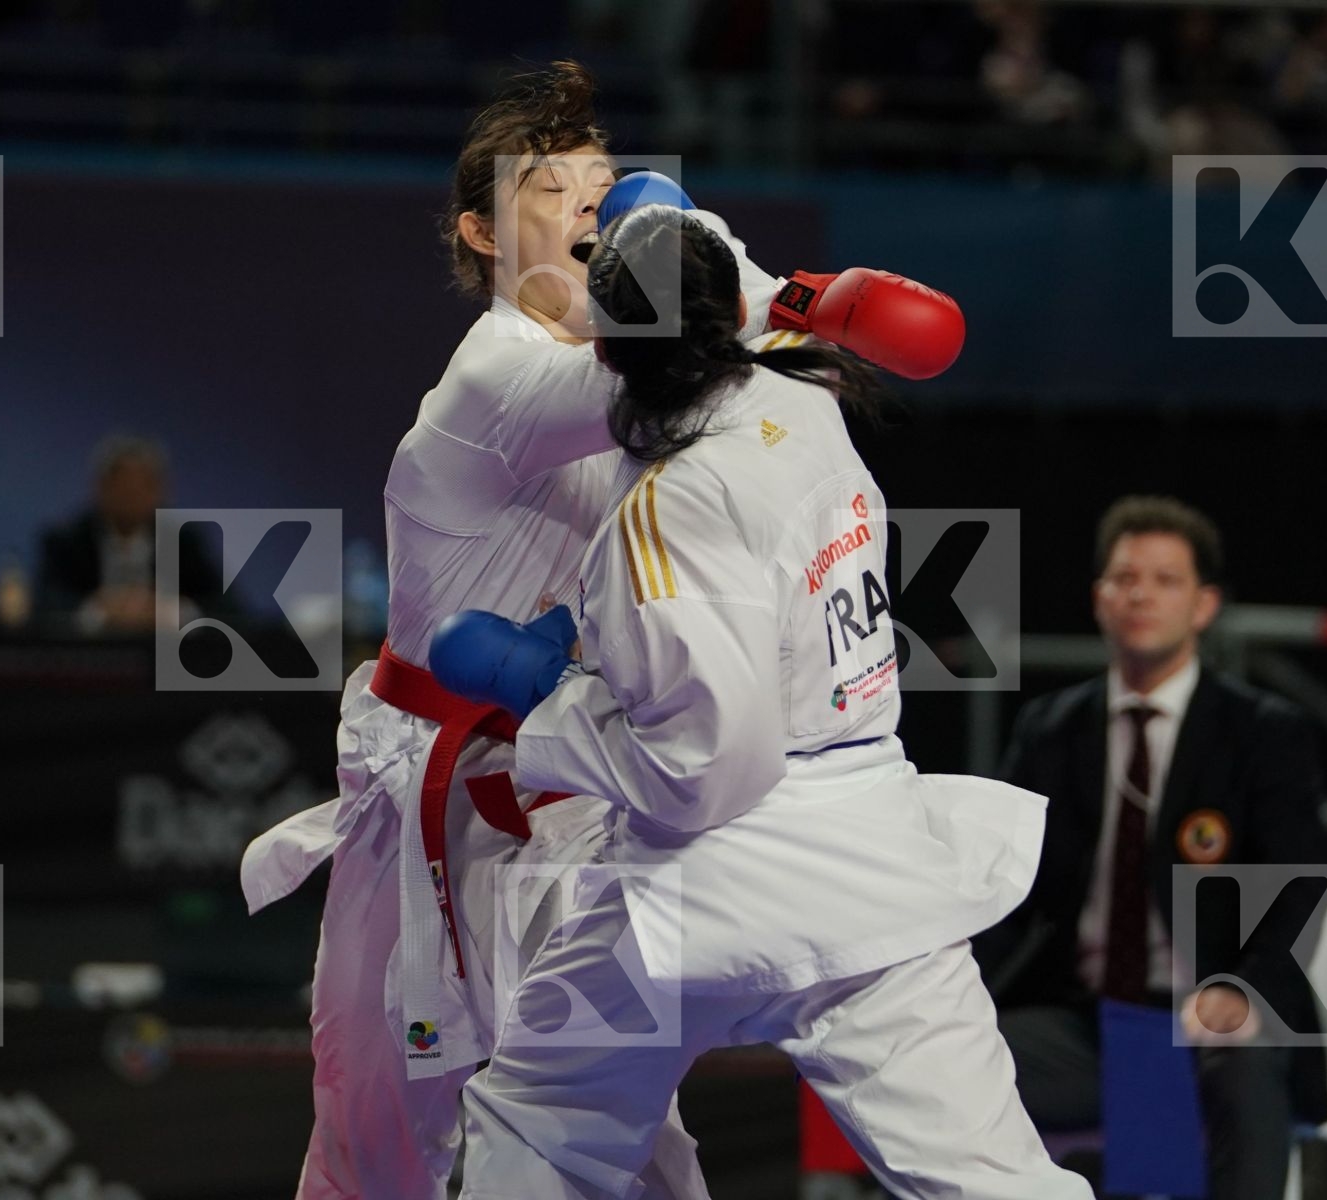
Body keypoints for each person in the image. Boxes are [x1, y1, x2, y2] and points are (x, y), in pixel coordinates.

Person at [239, 61, 967, 1200]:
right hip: (434, 786)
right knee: (377, 1133)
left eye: (604, 182)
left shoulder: (645, 352)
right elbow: (686, 355)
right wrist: (810, 301)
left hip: (580, 771)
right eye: (551, 188)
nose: (589, 198)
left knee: (608, 1128)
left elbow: (698, 350)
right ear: (482, 232)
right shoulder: (494, 382)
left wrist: (794, 297)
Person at [431, 205, 1087, 1200]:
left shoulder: (668, 512)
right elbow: (732, 283)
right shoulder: (800, 384)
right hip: (875, 869)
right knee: (998, 1185)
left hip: (708, 889)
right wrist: (677, 232)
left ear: (604, 355)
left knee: (538, 1122)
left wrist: (545, 695)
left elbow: (706, 768)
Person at [972, 494, 1327, 1200]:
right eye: (1124, 578)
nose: (1141, 595)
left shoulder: (1262, 732)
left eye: (1166, 580)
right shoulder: (1051, 730)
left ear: (1204, 605)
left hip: (1212, 1015)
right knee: (945, 1057)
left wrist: (1244, 989)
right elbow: (1008, 888)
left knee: (1243, 1064)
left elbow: (1302, 885)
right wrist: (950, 989)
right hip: (1086, 1021)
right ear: (1099, 598)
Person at [36, 434, 222, 632]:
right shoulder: (67, 540)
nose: (131, 497)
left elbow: (225, 606)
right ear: (100, 487)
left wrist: (172, 610)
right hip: (88, 650)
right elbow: (45, 606)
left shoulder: (184, 540)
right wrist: (97, 609)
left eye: (141, 487)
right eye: (122, 487)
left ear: (161, 490)